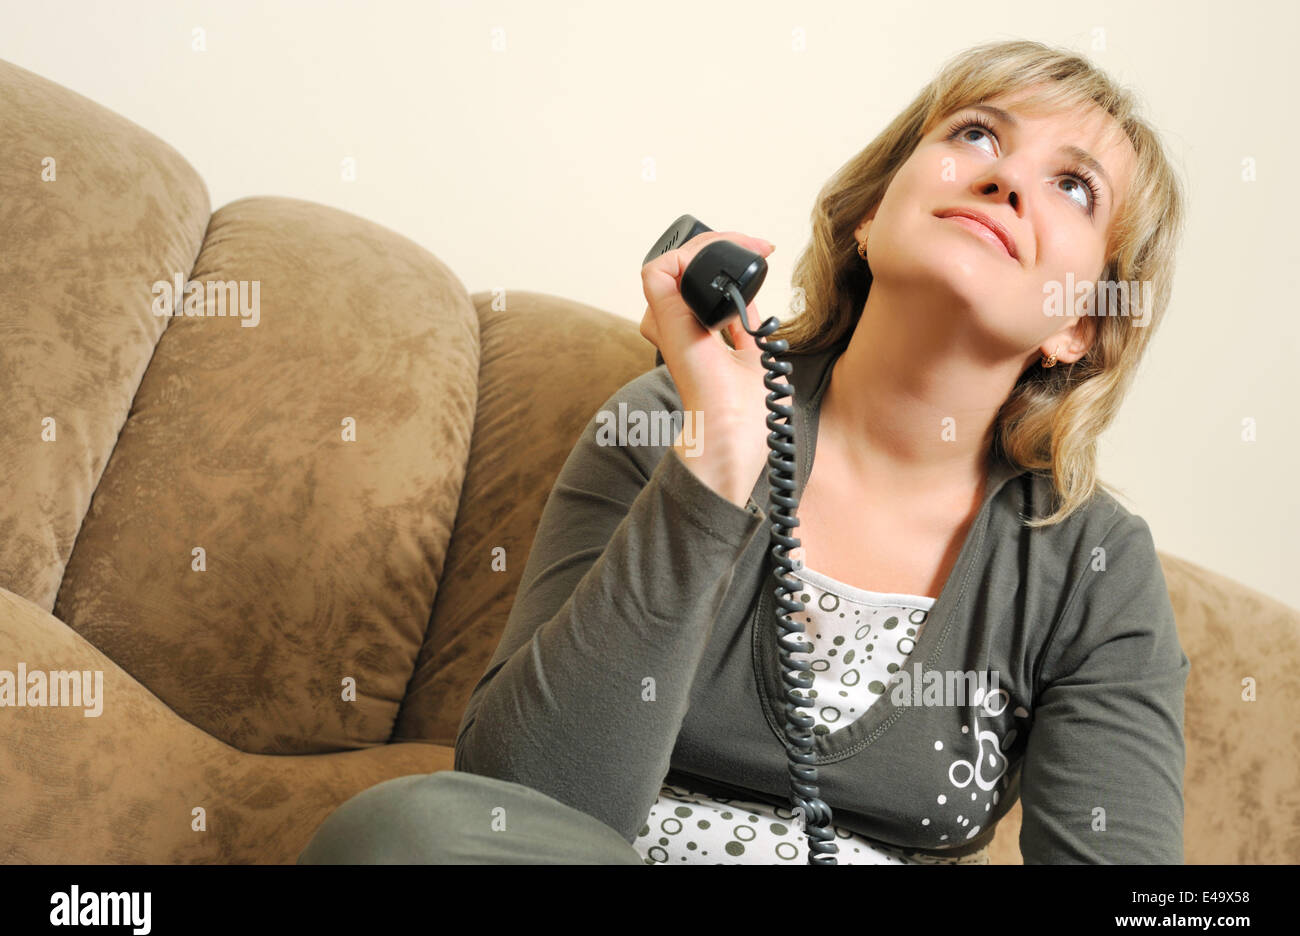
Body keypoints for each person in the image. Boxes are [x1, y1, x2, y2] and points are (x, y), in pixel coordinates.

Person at [298, 38, 1189, 866]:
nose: (1006, 178)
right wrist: (717, 464)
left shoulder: (1095, 568)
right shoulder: (662, 422)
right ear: (871, 218)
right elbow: (509, 802)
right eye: (976, 133)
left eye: (1075, 187)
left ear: (1080, 324)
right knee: (405, 829)